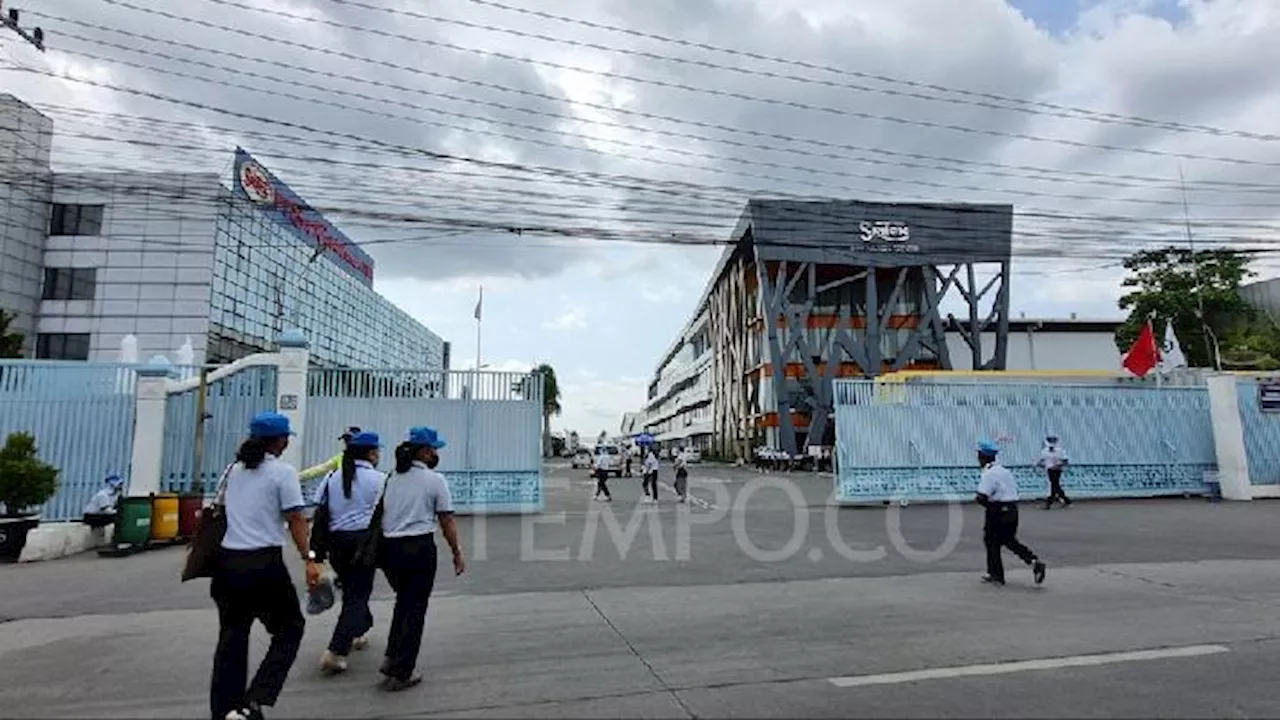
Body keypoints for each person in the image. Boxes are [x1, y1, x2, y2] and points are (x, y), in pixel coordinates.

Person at [211, 411, 319, 720]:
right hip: (263, 563)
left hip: (228, 563)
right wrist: (309, 560)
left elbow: (218, 510)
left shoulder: (233, 470)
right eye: (285, 438)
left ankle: (225, 711)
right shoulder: (282, 474)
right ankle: (255, 699)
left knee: (232, 637)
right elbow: (296, 519)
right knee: (290, 628)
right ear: (279, 441)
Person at [377, 426, 466, 691]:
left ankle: (391, 658)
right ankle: (402, 672)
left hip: (390, 550)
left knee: (402, 604)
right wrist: (457, 552)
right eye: (435, 449)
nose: (437, 453)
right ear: (425, 452)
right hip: (418, 549)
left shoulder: (392, 477)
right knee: (414, 610)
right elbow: (446, 519)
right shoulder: (434, 480)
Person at [314, 431, 385, 676]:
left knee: (353, 592)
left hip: (336, 544)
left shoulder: (332, 477)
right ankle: (336, 651)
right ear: (371, 453)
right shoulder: (379, 480)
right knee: (358, 595)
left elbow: (320, 510)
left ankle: (359, 630)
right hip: (364, 544)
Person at [975, 440, 1046, 587]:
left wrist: (989, 507)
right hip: (1012, 509)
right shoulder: (1004, 471)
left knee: (992, 542)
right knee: (1009, 540)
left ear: (983, 457)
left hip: (997, 510)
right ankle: (1033, 561)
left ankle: (996, 575)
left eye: (979, 455)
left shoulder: (989, 474)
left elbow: (981, 496)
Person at [1037, 434, 1071, 509]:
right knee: (1055, 485)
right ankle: (1063, 500)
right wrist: (1038, 465)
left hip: (1057, 470)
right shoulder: (1045, 451)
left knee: (1055, 485)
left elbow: (1065, 461)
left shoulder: (1060, 451)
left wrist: (1058, 465)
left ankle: (1051, 501)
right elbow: (1042, 460)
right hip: (1049, 470)